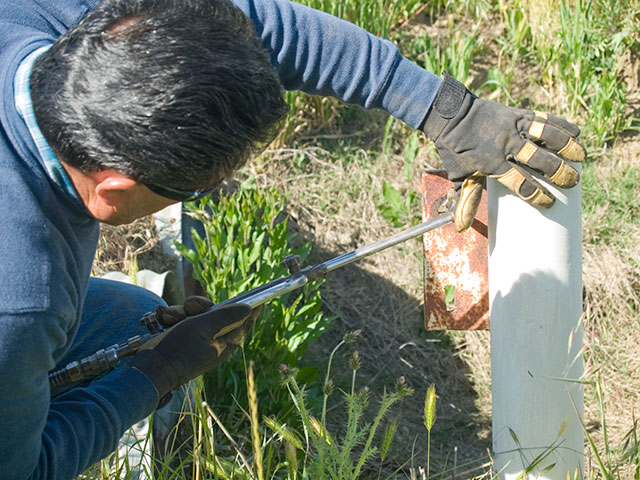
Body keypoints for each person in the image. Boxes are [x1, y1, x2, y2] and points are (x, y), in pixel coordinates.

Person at [0, 0, 586, 478]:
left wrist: (444, 109)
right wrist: (157, 375)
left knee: (133, 323)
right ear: (114, 188)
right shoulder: (25, 299)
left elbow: (257, 27)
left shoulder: (62, 23)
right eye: (196, 189)